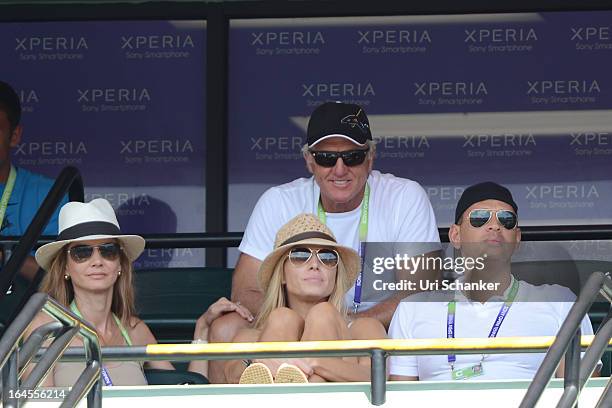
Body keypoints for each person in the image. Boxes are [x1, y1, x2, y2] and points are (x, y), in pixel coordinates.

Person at [208, 101, 440, 382]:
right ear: (309, 160)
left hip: (367, 328)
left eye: (352, 156)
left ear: (371, 156)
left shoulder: (404, 196)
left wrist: (339, 321)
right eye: (326, 158)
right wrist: (304, 327)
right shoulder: (279, 200)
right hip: (290, 328)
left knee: (329, 320)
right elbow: (246, 291)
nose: (339, 169)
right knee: (229, 326)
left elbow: (419, 291)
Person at [388, 182, 598, 381]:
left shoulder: (559, 302)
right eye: (480, 218)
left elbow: (583, 393)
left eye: (506, 220)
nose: (495, 226)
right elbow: (399, 396)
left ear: (517, 238)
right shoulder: (413, 308)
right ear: (455, 235)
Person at [25, 198, 240, 385]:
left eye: (108, 251)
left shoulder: (135, 330)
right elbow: (37, 403)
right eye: (82, 252)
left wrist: (202, 332)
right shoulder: (46, 328)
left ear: (120, 264)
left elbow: (183, 391)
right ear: (65, 267)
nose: (97, 261)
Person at [224, 213, 387, 384]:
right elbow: (229, 380)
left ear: (336, 273)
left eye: (327, 257)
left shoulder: (363, 329)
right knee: (282, 317)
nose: (315, 265)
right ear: (282, 275)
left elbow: (379, 379)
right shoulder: (248, 337)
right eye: (300, 255)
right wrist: (259, 360)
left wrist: (310, 360)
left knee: (323, 314)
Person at [0, 80, 67, 282]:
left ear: (14, 135)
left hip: (23, 313)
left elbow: (67, 278)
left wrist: (6, 256)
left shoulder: (50, 196)